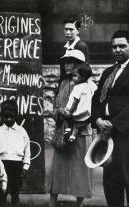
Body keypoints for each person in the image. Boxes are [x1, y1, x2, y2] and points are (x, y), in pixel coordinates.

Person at [91, 30, 129, 207]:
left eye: (121, 46)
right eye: (114, 47)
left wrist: (113, 124)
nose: (117, 50)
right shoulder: (108, 72)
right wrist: (98, 121)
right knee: (111, 184)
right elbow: (96, 100)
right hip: (107, 136)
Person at [49, 49, 93, 207]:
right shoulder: (62, 83)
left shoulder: (89, 86)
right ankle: (52, 203)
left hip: (80, 132)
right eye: (65, 62)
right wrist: (59, 112)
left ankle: (79, 204)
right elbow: (56, 107)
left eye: (71, 62)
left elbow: (89, 110)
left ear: (79, 65)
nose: (67, 65)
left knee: (79, 170)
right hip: (63, 131)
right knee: (58, 169)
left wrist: (71, 116)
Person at [0, 99, 31, 205]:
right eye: (6, 117)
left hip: (16, 165)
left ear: (16, 115)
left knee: (15, 190)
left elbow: (27, 150)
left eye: (12, 117)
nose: (9, 119)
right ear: (1, 116)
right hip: (1, 164)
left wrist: (25, 167)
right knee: (1, 191)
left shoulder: (22, 132)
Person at [63, 63, 97, 141]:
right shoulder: (90, 85)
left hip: (78, 110)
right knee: (78, 125)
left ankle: (68, 130)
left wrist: (70, 111)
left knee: (66, 117)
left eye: (75, 76)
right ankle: (73, 136)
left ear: (83, 77)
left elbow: (75, 100)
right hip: (87, 111)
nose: (73, 78)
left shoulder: (78, 87)